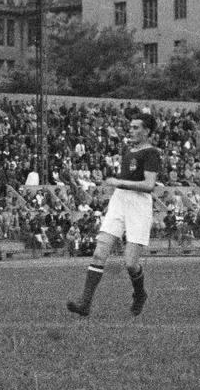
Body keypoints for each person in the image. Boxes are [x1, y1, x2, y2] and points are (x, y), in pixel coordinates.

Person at [67, 111, 162, 317]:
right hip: (119, 201)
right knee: (100, 252)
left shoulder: (152, 153)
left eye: (137, 127)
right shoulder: (129, 151)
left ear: (147, 131)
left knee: (130, 263)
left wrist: (118, 182)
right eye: (132, 126)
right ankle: (85, 303)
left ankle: (139, 294)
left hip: (138, 205)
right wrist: (114, 187)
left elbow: (148, 185)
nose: (132, 130)